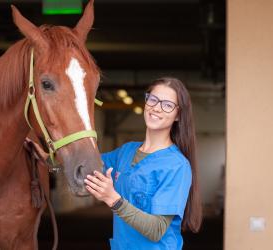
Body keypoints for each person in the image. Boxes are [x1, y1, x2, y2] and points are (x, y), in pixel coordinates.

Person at [84, 77, 202, 250]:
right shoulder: (126, 152)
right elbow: (87, 164)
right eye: (153, 99)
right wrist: (49, 157)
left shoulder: (177, 166)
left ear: (178, 115)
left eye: (167, 105)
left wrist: (112, 199)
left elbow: (157, 229)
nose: (156, 108)